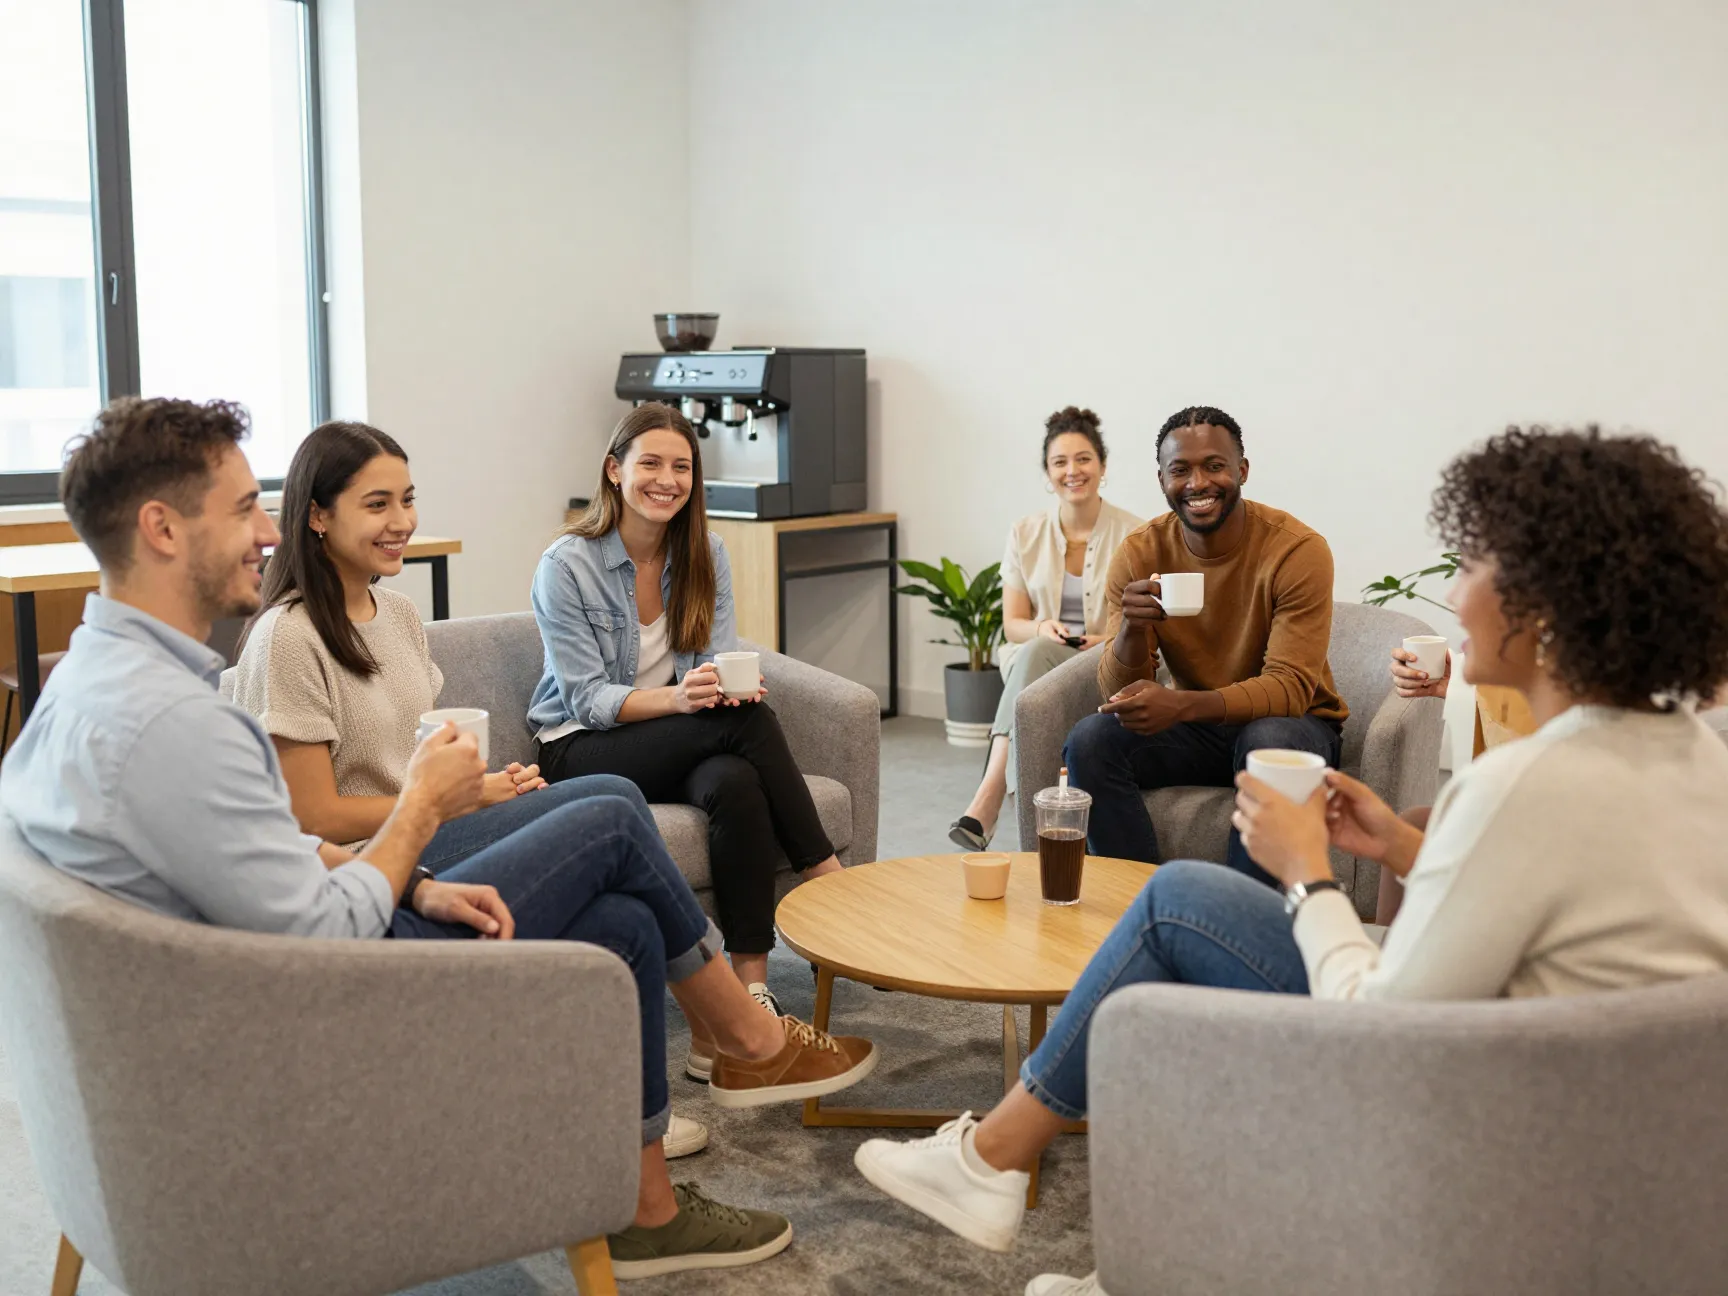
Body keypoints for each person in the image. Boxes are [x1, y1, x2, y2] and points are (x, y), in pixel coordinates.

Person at [1, 397, 878, 1279]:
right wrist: (422, 808)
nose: (263, 530)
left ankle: (647, 1206)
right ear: (160, 528)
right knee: (611, 817)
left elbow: (266, 849)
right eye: (240, 509)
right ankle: (747, 1041)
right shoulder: (177, 723)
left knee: (621, 921)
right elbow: (322, 912)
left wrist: (420, 882)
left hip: (279, 967)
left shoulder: (87, 690)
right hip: (320, 1009)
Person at [854, 425, 1728, 1294]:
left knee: (1176, 907)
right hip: (1603, 1102)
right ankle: (1084, 1224)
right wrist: (1398, 843)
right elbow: (1556, 894)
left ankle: (1004, 1169)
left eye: (1473, 568)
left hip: (1472, 1099)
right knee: (1158, 857)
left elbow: (1381, 1030)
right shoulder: (1692, 754)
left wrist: (1309, 875)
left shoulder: (1520, 786)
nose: (1455, 599)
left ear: (1546, 606)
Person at [229, 421, 711, 1162]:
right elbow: (313, 815)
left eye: (409, 500)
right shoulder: (288, 637)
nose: (402, 523)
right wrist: (448, 800)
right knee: (612, 802)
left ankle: (638, 1117)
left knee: (623, 902)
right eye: (377, 504)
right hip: (377, 858)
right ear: (318, 515)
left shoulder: (398, 614)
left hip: (430, 829)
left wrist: (481, 788)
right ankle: (741, 1033)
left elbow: (420, 761)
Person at [528, 401, 867, 1081]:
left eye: (681, 466)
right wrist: (685, 701)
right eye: (650, 462)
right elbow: (586, 700)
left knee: (737, 780)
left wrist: (719, 689)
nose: (667, 479)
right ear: (615, 471)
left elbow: (717, 657)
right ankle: (831, 886)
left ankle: (745, 996)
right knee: (741, 727)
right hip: (581, 747)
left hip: (676, 739)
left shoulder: (705, 552)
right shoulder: (567, 564)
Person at [1064, 405, 1348, 887]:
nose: (1198, 483)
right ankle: (1139, 907)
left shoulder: (1296, 549)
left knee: (1268, 743)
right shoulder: (1139, 552)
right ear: (1162, 480)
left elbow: (1292, 688)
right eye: (1181, 470)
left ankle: (1238, 919)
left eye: (1214, 466)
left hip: (1294, 726)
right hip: (1199, 729)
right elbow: (1118, 691)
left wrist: (1180, 705)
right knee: (1091, 741)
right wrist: (1133, 630)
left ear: (1241, 470)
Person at [947, 406, 1141, 850]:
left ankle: (987, 799)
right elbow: (1013, 624)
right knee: (1034, 650)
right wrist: (1043, 627)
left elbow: (1143, 621)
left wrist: (1106, 640)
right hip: (1039, 656)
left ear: (1103, 466)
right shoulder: (1025, 533)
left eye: (1083, 459)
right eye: (1060, 462)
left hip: (1105, 659)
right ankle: (994, 794)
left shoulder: (1134, 534)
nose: (1072, 471)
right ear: (1047, 473)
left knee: (1034, 656)